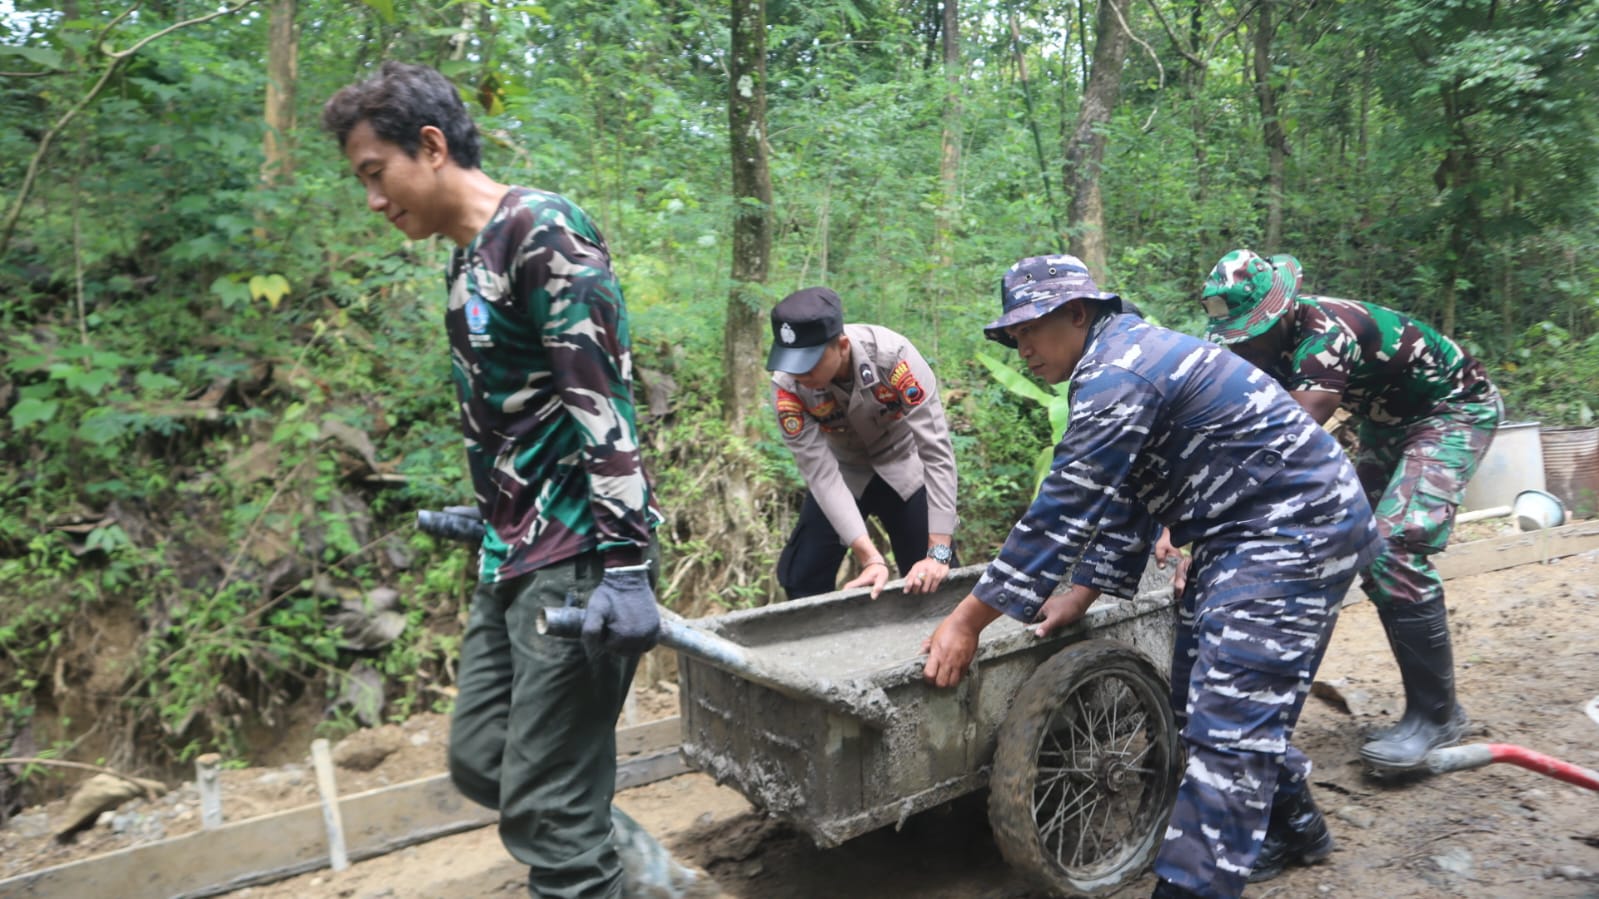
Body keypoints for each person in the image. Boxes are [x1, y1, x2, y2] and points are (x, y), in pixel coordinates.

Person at [321, 62, 711, 899]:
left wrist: (626, 568)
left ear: (430, 147)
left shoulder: (543, 232)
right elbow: (524, 414)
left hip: (578, 557)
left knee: (549, 815)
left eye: (375, 173)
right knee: (482, 758)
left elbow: (602, 406)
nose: (373, 200)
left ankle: (617, 875)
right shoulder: (465, 259)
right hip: (512, 551)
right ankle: (655, 880)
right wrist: (491, 504)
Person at [922, 255, 1380, 899]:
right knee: (1194, 698)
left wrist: (967, 620)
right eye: (1013, 336)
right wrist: (1082, 593)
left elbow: (1061, 509)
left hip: (1293, 528)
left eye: (1030, 330)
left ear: (1076, 314)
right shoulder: (1120, 357)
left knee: (1229, 728)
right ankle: (1295, 826)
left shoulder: (1119, 372)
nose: (1022, 349)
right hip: (1239, 527)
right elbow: (1131, 491)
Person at [1198, 249, 1502, 772]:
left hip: (1452, 411)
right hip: (1387, 421)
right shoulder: (1256, 341)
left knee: (1392, 549)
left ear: (1282, 313)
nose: (1242, 346)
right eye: (1235, 337)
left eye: (1251, 334)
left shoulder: (1325, 335)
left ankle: (1437, 716)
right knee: (1347, 535)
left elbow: (1286, 440)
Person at [766, 286, 960, 599]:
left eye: (809, 363)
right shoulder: (787, 386)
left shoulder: (894, 358)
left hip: (905, 465)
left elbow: (936, 452)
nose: (799, 374)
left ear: (842, 346)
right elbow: (820, 473)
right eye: (791, 362)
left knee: (931, 575)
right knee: (802, 573)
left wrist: (938, 552)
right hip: (844, 471)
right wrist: (869, 557)